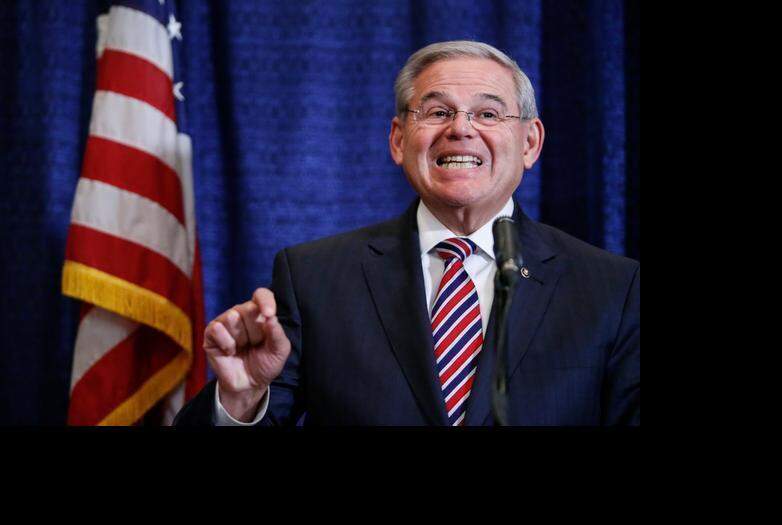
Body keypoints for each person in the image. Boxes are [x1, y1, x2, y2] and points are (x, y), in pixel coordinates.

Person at [173, 40, 639, 427]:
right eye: (436, 112)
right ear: (399, 140)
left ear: (530, 143)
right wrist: (239, 402)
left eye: (488, 114)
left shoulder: (611, 288)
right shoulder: (314, 277)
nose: (460, 129)